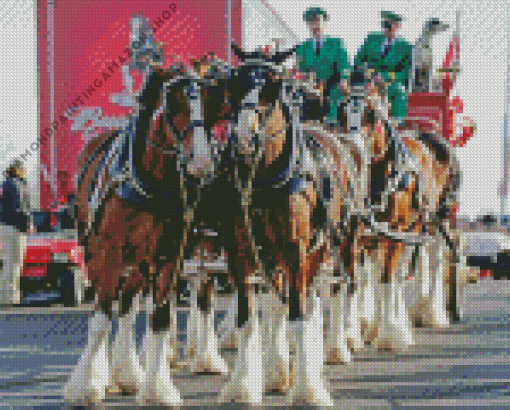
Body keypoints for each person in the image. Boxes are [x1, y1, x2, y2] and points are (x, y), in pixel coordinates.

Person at [354, 11, 413, 128]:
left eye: (390, 26)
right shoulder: (372, 39)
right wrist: (366, 71)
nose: (387, 29)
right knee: (350, 94)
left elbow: (406, 72)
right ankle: (350, 126)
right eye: (385, 25)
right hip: (367, 80)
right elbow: (358, 60)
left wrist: (386, 77)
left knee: (399, 92)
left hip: (390, 84)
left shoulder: (405, 47)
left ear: (398, 26)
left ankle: (397, 125)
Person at [295, 7, 350, 127]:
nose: (315, 25)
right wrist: (303, 80)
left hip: (332, 83)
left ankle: (331, 121)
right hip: (311, 84)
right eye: (312, 22)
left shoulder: (335, 42)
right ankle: (302, 125)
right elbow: (301, 69)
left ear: (324, 23)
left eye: (318, 21)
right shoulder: (303, 47)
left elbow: (344, 63)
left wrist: (344, 79)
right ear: (308, 25)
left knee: (335, 93)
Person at [0, 160, 32, 305]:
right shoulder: (17, 185)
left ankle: (6, 294)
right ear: (18, 170)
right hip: (15, 228)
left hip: (4, 226)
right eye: (23, 168)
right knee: (15, 262)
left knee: (7, 262)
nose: (25, 170)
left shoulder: (5, 184)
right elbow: (20, 208)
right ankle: (9, 297)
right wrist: (27, 225)